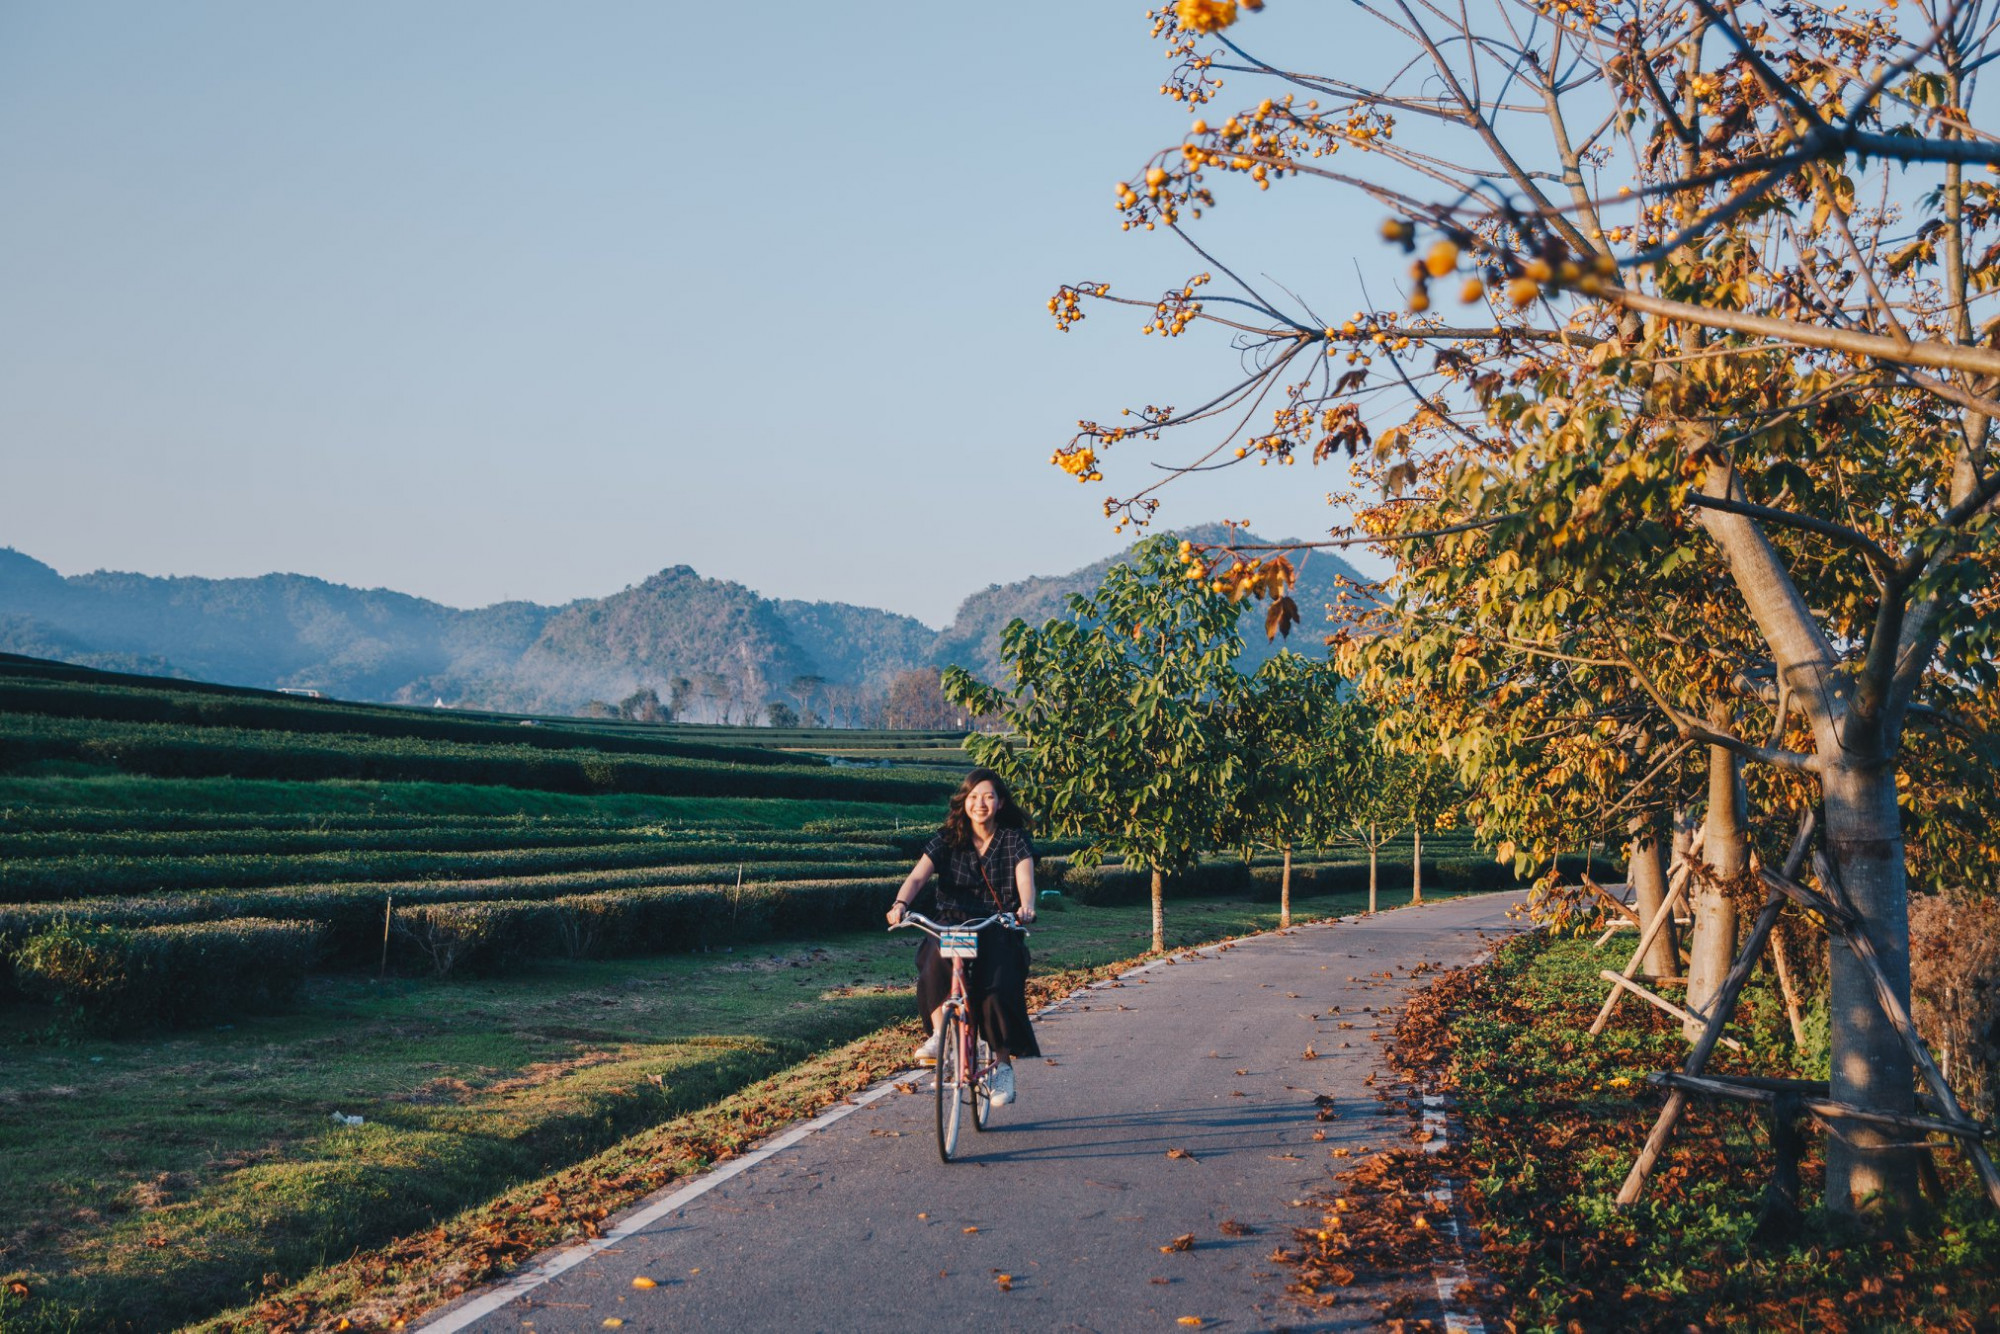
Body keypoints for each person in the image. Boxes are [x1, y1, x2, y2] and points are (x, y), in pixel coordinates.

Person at [886, 767, 1040, 1105]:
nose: (980, 803)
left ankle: (1001, 1065)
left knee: (997, 985)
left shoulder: (1014, 839)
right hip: (954, 920)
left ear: (1000, 803)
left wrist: (1026, 907)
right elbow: (916, 878)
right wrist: (901, 904)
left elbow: (1025, 879)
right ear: (964, 802)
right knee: (933, 960)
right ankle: (942, 1035)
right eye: (973, 797)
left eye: (988, 796)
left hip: (997, 922)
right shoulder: (947, 837)